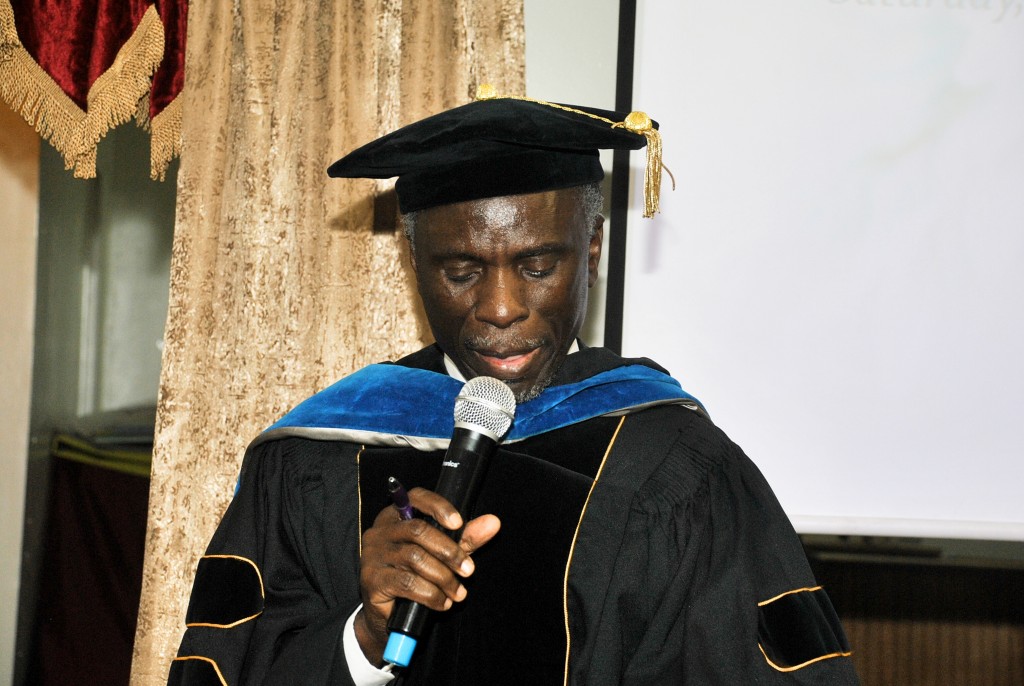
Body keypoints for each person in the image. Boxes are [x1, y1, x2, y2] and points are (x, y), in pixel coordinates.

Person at [169, 89, 860, 685]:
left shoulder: (676, 464)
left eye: (537, 266)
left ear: (591, 250)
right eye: (461, 271)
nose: (501, 309)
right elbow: (227, 664)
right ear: (414, 261)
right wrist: (364, 639)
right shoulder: (319, 457)